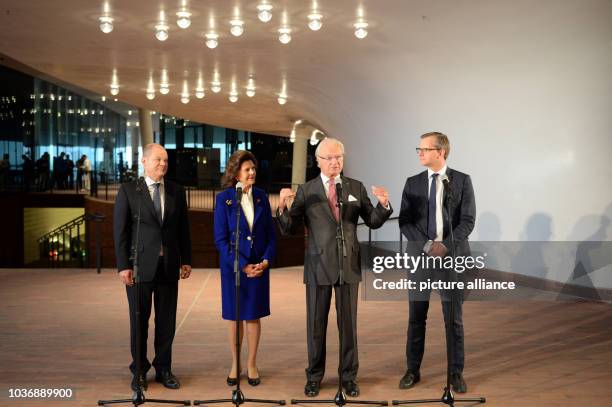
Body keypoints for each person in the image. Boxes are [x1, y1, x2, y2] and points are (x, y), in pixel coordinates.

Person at [277, 137, 392, 397]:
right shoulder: (307, 190)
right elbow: (289, 228)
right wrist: (282, 206)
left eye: (338, 157)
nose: (334, 162)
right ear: (318, 161)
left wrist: (383, 205)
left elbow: (372, 220)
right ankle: (314, 377)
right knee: (316, 326)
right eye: (329, 158)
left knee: (348, 326)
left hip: (347, 264)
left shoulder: (355, 187)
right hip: (318, 266)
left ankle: (349, 377)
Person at [398, 132, 475, 394]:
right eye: (418, 148)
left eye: (424, 148)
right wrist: (427, 246)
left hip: (452, 261)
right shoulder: (412, 183)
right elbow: (405, 222)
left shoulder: (462, 181)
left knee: (453, 319)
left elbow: (468, 220)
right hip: (421, 259)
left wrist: (446, 246)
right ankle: (412, 370)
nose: (419, 152)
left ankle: (455, 374)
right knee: (416, 318)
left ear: (440, 152)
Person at [113, 143, 192, 391]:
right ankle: (138, 371)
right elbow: (121, 232)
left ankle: (164, 369)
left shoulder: (176, 191)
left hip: (168, 266)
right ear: (144, 162)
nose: (163, 164)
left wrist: (186, 259)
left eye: (166, 160)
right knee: (140, 322)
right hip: (139, 268)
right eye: (158, 160)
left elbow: (183, 229)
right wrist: (123, 266)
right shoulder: (129, 191)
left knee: (167, 322)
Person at [214, 150, 276, 387]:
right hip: (234, 269)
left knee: (253, 317)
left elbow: (271, 235)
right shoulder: (225, 199)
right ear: (236, 172)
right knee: (234, 317)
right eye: (247, 169)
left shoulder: (261, 196)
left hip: (259, 267)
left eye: (253, 169)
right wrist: (242, 265)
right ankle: (235, 363)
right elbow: (220, 240)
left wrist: (266, 260)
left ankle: (251, 364)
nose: (252, 173)